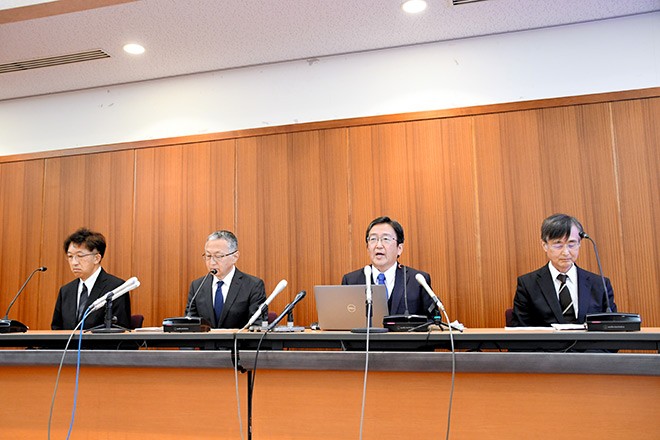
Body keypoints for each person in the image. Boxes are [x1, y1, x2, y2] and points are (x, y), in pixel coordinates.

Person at [511, 213, 617, 327]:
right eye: (558, 245)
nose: (566, 252)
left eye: (571, 244)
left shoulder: (600, 284)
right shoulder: (528, 285)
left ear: (579, 244)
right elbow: (519, 329)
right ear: (544, 245)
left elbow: (612, 326)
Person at [341, 216, 435, 317]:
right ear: (367, 248)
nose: (379, 245)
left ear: (399, 248)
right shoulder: (351, 281)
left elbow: (433, 320)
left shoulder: (418, 281)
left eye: (385, 239)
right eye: (373, 239)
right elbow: (343, 319)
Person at [52, 228, 131, 330]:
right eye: (70, 256)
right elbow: (56, 329)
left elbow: (120, 331)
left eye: (80, 256)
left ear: (96, 258)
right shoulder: (66, 291)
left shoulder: (116, 288)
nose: (74, 262)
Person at [187, 230, 266, 328]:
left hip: (238, 338)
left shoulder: (253, 286)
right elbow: (190, 325)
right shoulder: (197, 286)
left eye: (218, 256)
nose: (212, 262)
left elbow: (257, 327)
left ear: (235, 256)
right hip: (205, 339)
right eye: (208, 256)